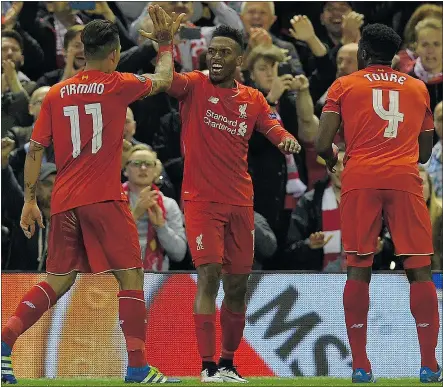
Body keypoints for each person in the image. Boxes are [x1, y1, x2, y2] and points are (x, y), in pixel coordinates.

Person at [1, 6, 185, 385]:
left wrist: (31, 200)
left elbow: (35, 150)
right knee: (131, 278)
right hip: (103, 197)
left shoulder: (55, 93)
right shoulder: (119, 83)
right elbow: (166, 80)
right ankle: (137, 369)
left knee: (56, 280)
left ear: (81, 51)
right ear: (115, 54)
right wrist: (165, 46)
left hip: (65, 200)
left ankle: (4, 346)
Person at [166, 25, 300, 383]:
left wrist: (286, 140)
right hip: (201, 202)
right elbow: (166, 79)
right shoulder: (194, 85)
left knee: (237, 286)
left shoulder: (252, 99)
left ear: (240, 59)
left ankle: (228, 362)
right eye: (212, 51)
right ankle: (207, 365)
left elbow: (273, 126)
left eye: (225, 52)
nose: (216, 57)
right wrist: (166, 44)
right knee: (208, 276)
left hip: (241, 203)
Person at [315, 23, 441, 383]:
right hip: (404, 179)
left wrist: (332, 157)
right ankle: (430, 365)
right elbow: (424, 153)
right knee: (418, 268)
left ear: (364, 54)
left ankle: (360, 366)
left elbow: (323, 143)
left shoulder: (344, 85)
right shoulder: (418, 88)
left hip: (361, 179)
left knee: (358, 267)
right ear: (396, 56)